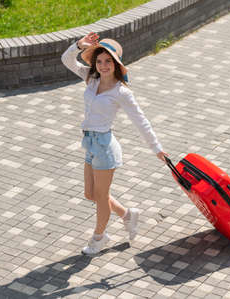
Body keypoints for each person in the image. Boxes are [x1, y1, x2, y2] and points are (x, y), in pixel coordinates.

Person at [61, 32, 169, 255]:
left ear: (116, 64)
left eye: (108, 61)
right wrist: (80, 45)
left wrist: (157, 148)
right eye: (99, 61)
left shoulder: (121, 92)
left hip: (105, 147)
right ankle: (127, 215)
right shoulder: (91, 79)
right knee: (90, 194)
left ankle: (99, 238)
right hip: (90, 144)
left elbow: (141, 121)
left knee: (101, 197)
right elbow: (66, 60)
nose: (103, 65)